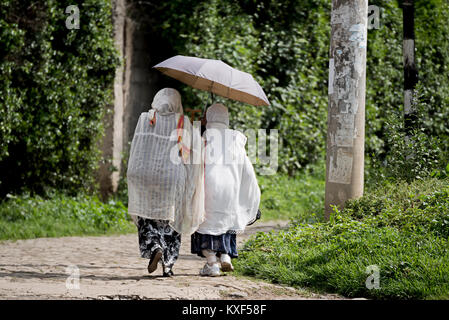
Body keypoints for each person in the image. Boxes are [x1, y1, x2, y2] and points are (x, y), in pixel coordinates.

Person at [127, 88, 204, 277]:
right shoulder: (183, 123)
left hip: (145, 175)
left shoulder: (146, 118)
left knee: (147, 214)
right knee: (171, 219)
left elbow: (137, 146)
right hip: (171, 178)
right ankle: (168, 264)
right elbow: (191, 155)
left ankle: (154, 246)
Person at [191, 103, 261, 276]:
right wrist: (251, 190)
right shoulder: (236, 138)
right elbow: (246, 168)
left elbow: (194, 163)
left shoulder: (205, 137)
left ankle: (212, 264)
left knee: (205, 224)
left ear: (210, 118)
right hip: (231, 186)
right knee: (227, 221)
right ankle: (226, 257)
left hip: (208, 186)